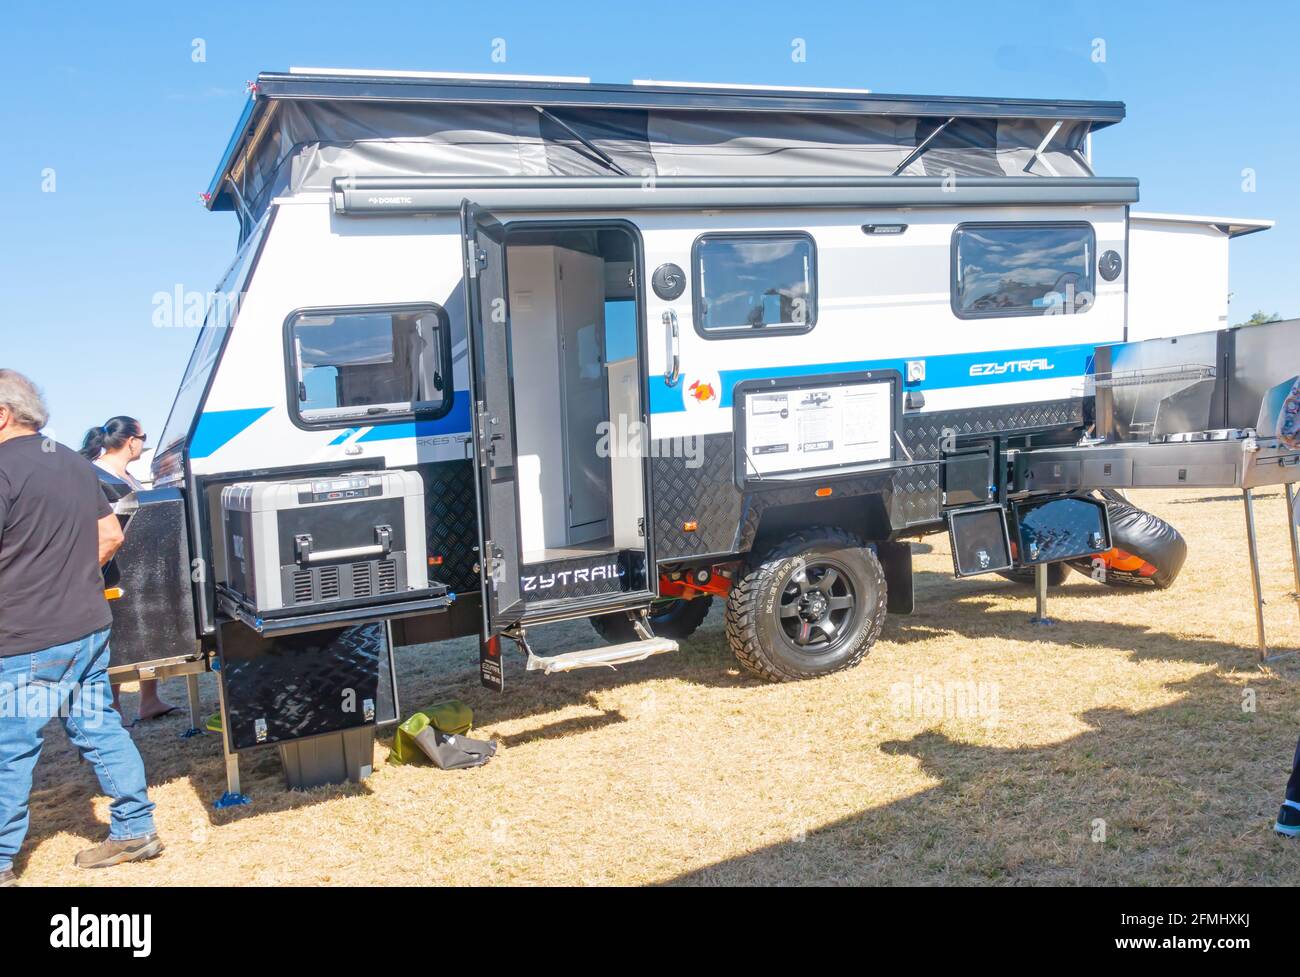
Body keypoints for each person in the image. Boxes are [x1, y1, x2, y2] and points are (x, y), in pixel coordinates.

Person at [0, 372, 163, 887]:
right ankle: (135, 828)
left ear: (2, 413)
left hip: (25, 635)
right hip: (87, 623)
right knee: (97, 726)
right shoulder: (71, 461)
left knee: (9, 747)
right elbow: (110, 533)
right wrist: (68, 580)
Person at [79, 416, 177, 722]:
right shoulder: (97, 475)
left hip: (140, 568)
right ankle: (115, 707)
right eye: (143, 437)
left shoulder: (126, 475)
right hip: (112, 570)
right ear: (132, 440)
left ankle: (150, 700)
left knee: (147, 633)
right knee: (117, 641)